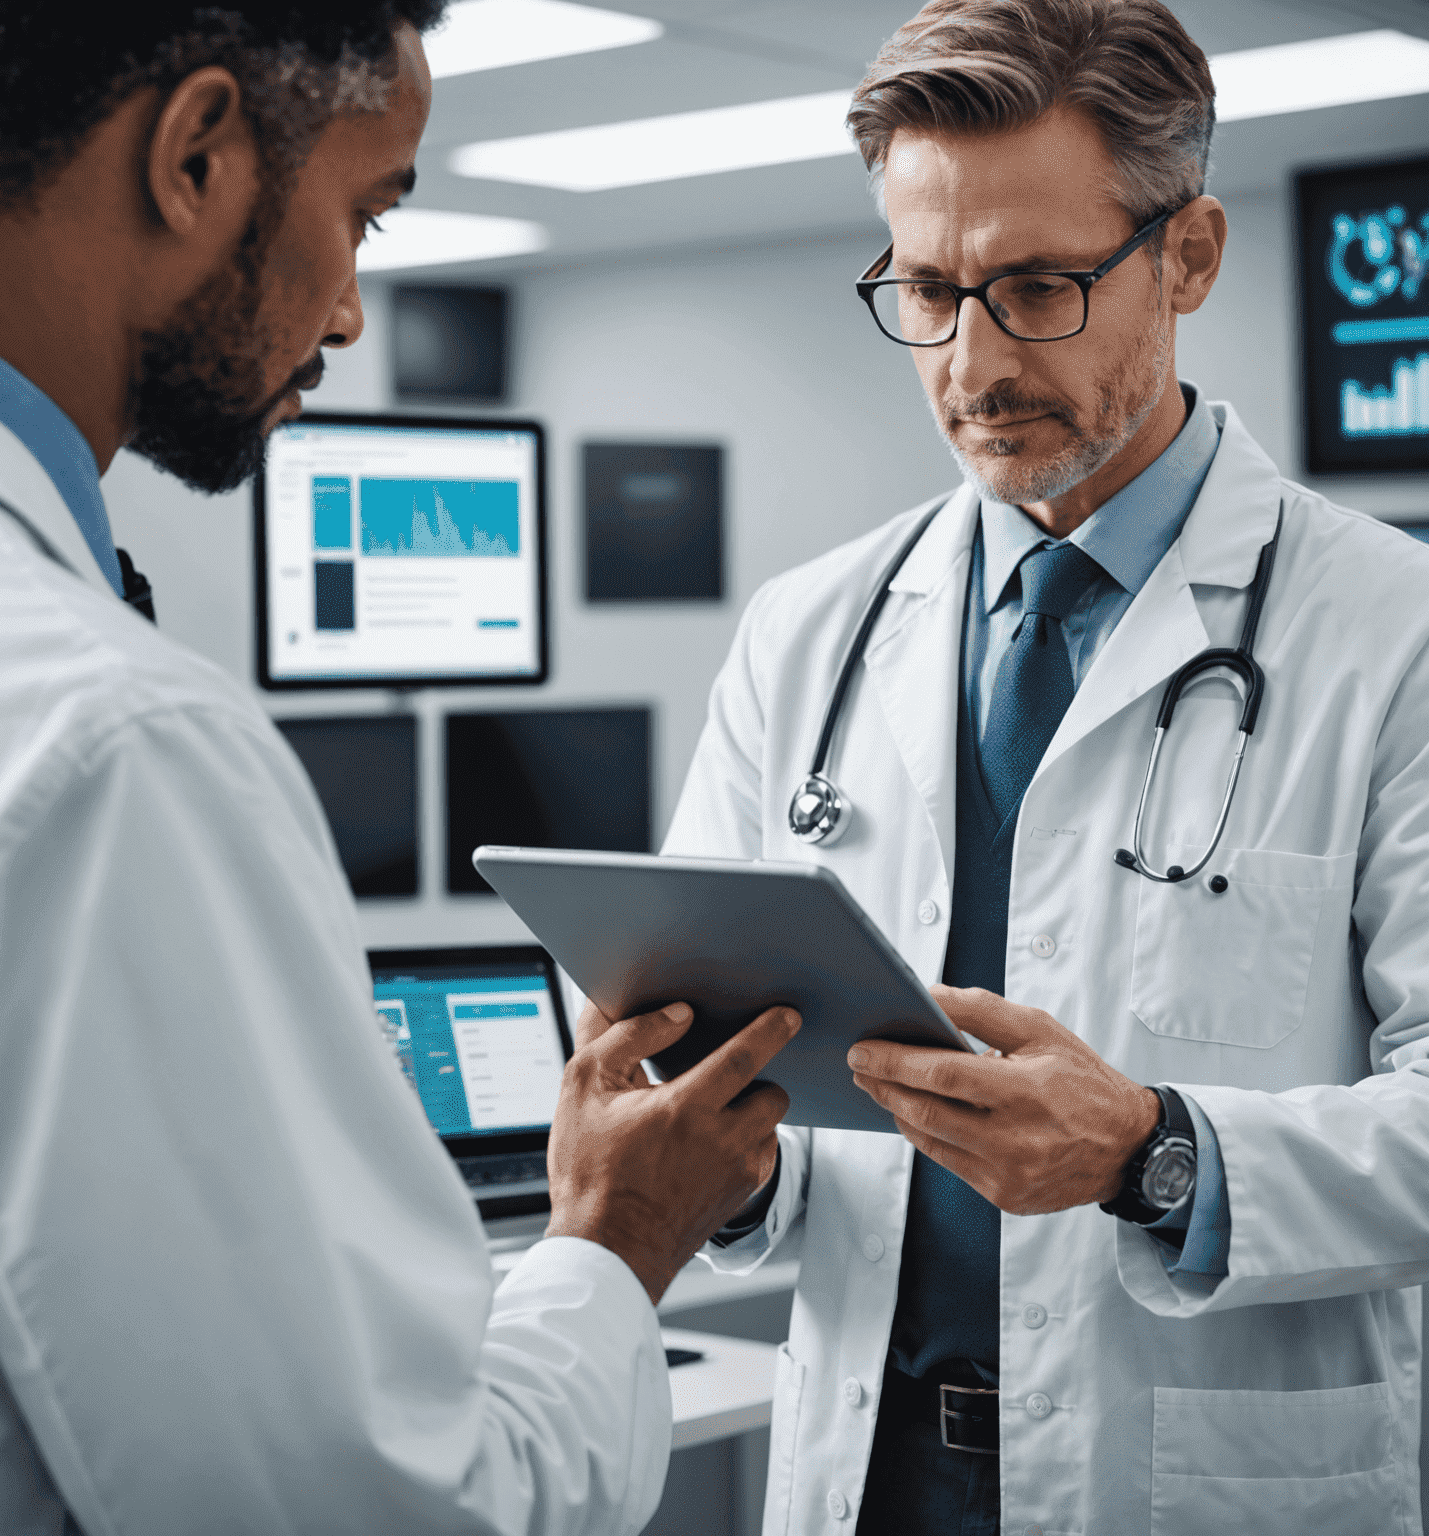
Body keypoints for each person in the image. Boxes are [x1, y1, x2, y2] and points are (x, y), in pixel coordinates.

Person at [0, 6, 797, 1534]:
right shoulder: (112, 750)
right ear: (197, 158)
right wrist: (612, 1242)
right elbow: (386, 1514)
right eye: (364, 213)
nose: (353, 316)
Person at [662, 1, 1429, 1532]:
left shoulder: (1392, 634)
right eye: (929, 290)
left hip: (1204, 1481)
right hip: (870, 1472)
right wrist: (717, 1155)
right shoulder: (808, 631)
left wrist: (1158, 1154)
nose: (973, 362)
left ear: (1189, 257)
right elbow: (761, 1090)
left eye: (1037, 288)